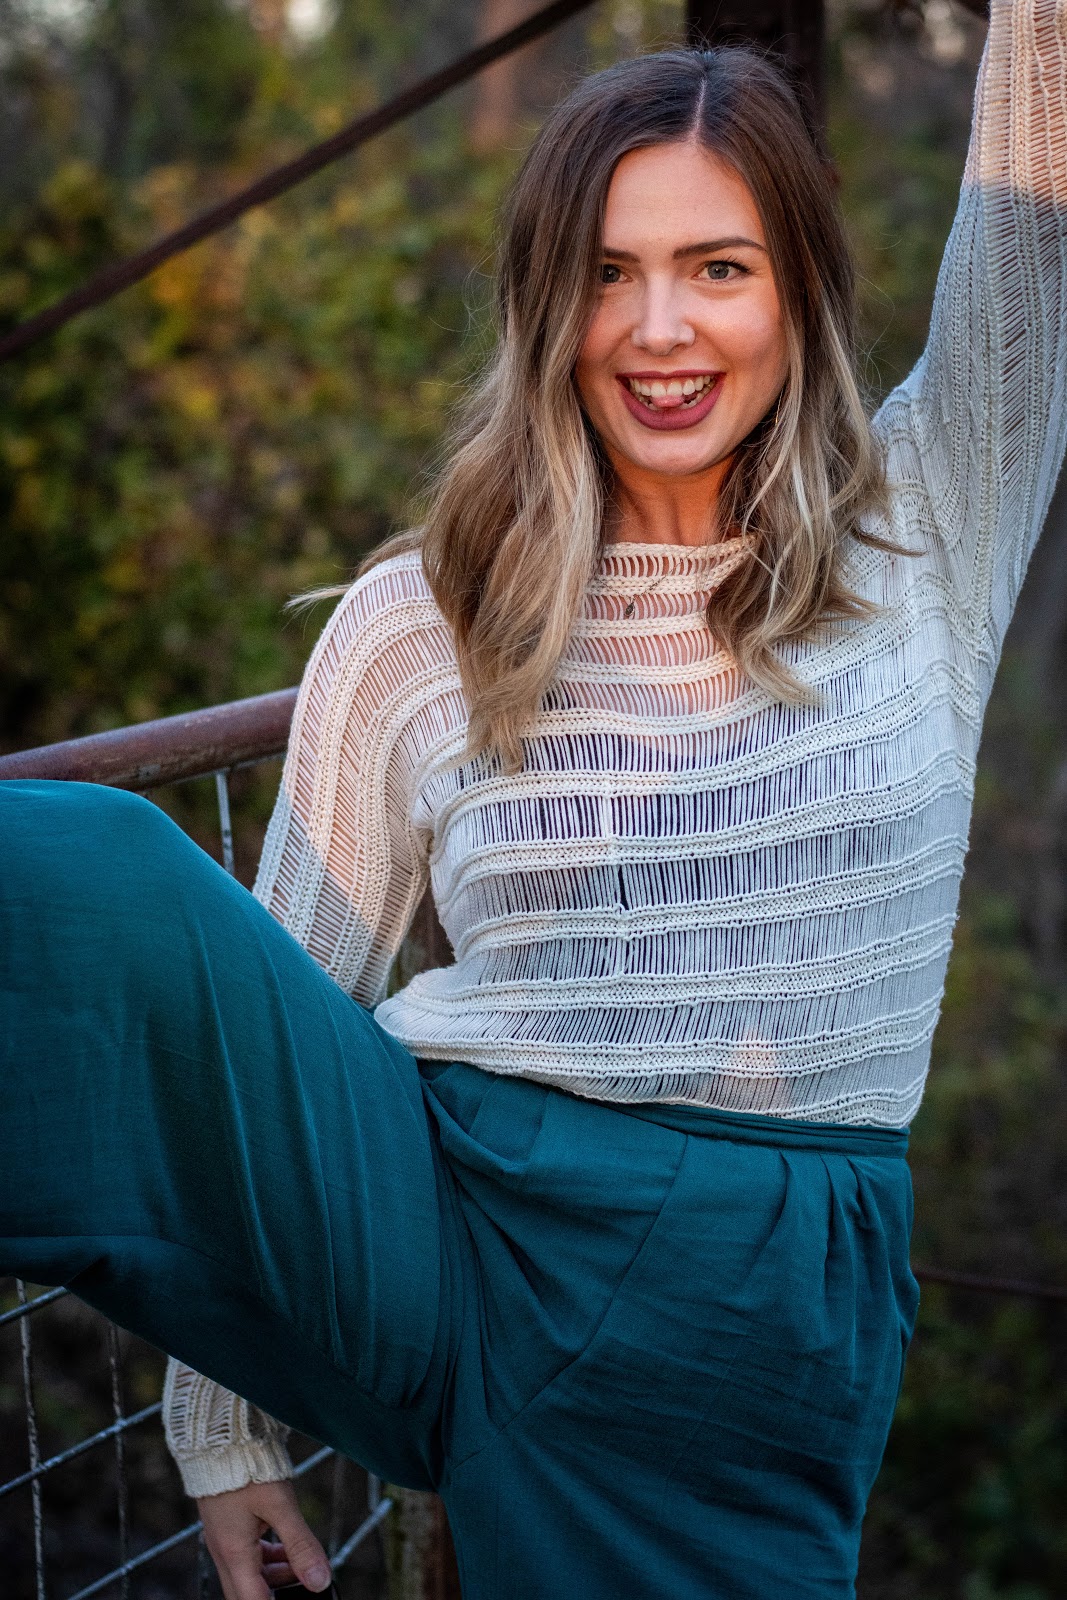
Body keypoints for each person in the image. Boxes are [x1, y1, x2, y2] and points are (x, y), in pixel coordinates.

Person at [2, 2, 1066, 1595]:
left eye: (718, 267)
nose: (659, 329)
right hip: (448, 1232)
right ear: (543, 304)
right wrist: (223, 1431)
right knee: (90, 880)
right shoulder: (425, 620)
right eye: (606, 273)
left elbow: (1041, 177)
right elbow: (267, 1037)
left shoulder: (931, 517)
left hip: (752, 1317)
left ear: (798, 291)